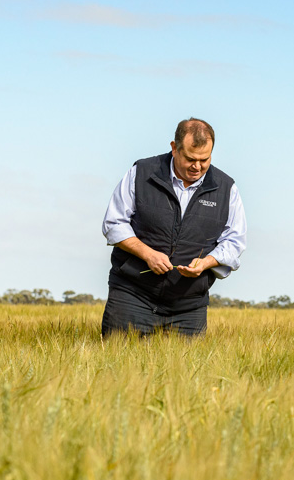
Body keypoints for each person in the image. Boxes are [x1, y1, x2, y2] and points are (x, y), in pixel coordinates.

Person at [100, 117, 246, 337]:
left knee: (188, 362)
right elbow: (114, 223)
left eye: (204, 159)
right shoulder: (141, 173)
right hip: (132, 296)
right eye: (190, 158)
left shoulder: (227, 188)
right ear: (174, 148)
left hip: (189, 306)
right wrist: (148, 254)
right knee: (118, 357)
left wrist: (206, 263)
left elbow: (235, 241)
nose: (197, 166)